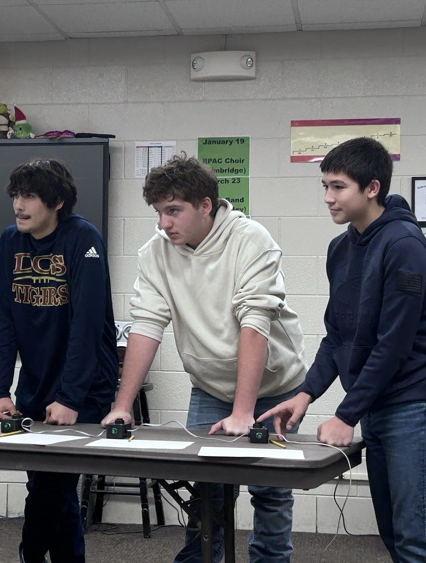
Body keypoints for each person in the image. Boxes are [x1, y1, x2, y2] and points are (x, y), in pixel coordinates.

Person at [102, 154, 307, 563]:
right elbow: (146, 326)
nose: (164, 223)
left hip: (274, 388)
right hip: (211, 387)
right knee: (206, 494)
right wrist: (123, 407)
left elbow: (255, 324)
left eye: (174, 211)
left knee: (270, 495)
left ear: (205, 205)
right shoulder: (155, 253)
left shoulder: (251, 240)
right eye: (159, 212)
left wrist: (244, 411)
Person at [258, 137, 426, 562]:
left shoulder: (405, 247)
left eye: (339, 186)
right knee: (393, 534)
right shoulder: (341, 248)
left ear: (372, 188)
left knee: (417, 537)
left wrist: (346, 413)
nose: (328, 198)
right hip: (378, 406)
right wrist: (305, 394)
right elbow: (337, 337)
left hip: (416, 404)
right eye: (324, 186)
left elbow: (394, 345)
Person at [0, 158, 118, 563]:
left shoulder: (84, 239)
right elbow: (3, 319)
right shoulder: (11, 242)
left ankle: (29, 554)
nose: (19, 205)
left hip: (85, 385)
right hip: (38, 382)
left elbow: (86, 325)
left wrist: (71, 397)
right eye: (15, 195)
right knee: (50, 485)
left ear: (57, 201)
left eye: (29, 196)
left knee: (52, 484)